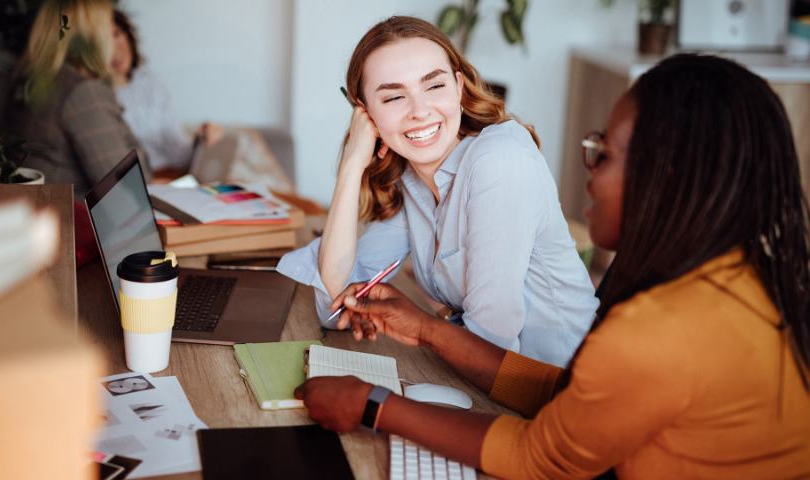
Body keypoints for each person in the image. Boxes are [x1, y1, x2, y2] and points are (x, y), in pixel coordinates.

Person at [294, 54, 810, 479]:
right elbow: (568, 394)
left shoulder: (658, 328)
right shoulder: (731, 281)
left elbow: (537, 457)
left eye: (603, 153)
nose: (588, 171)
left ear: (666, 177)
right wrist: (428, 330)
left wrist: (374, 407)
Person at [277, 16, 597, 367]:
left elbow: (491, 342)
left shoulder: (499, 160)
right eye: (394, 96)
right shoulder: (411, 180)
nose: (419, 111)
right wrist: (352, 164)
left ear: (459, 88)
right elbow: (336, 305)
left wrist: (421, 325)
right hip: (489, 380)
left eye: (434, 86)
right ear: (366, 113)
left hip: (563, 386)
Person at [8, 0, 148, 197]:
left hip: (38, 213)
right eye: (108, 28)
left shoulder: (30, 80)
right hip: (75, 221)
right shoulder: (83, 92)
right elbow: (126, 187)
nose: (113, 40)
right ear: (93, 35)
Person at [110, 9, 222, 176]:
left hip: (172, 175)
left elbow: (178, 150)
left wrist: (201, 141)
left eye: (117, 34)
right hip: (142, 181)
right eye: (104, 41)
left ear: (128, 36)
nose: (114, 48)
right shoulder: (97, 96)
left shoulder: (151, 82)